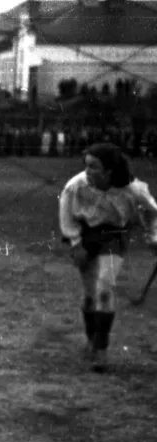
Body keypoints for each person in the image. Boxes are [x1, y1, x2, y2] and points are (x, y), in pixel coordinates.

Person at [59, 142, 157, 372]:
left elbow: (153, 212)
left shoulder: (134, 189)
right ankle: (91, 339)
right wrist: (75, 244)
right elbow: (66, 216)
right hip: (85, 235)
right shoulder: (76, 185)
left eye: (94, 167)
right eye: (86, 166)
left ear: (109, 170)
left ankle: (101, 349)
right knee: (89, 295)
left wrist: (154, 236)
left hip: (114, 236)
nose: (87, 171)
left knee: (105, 287)